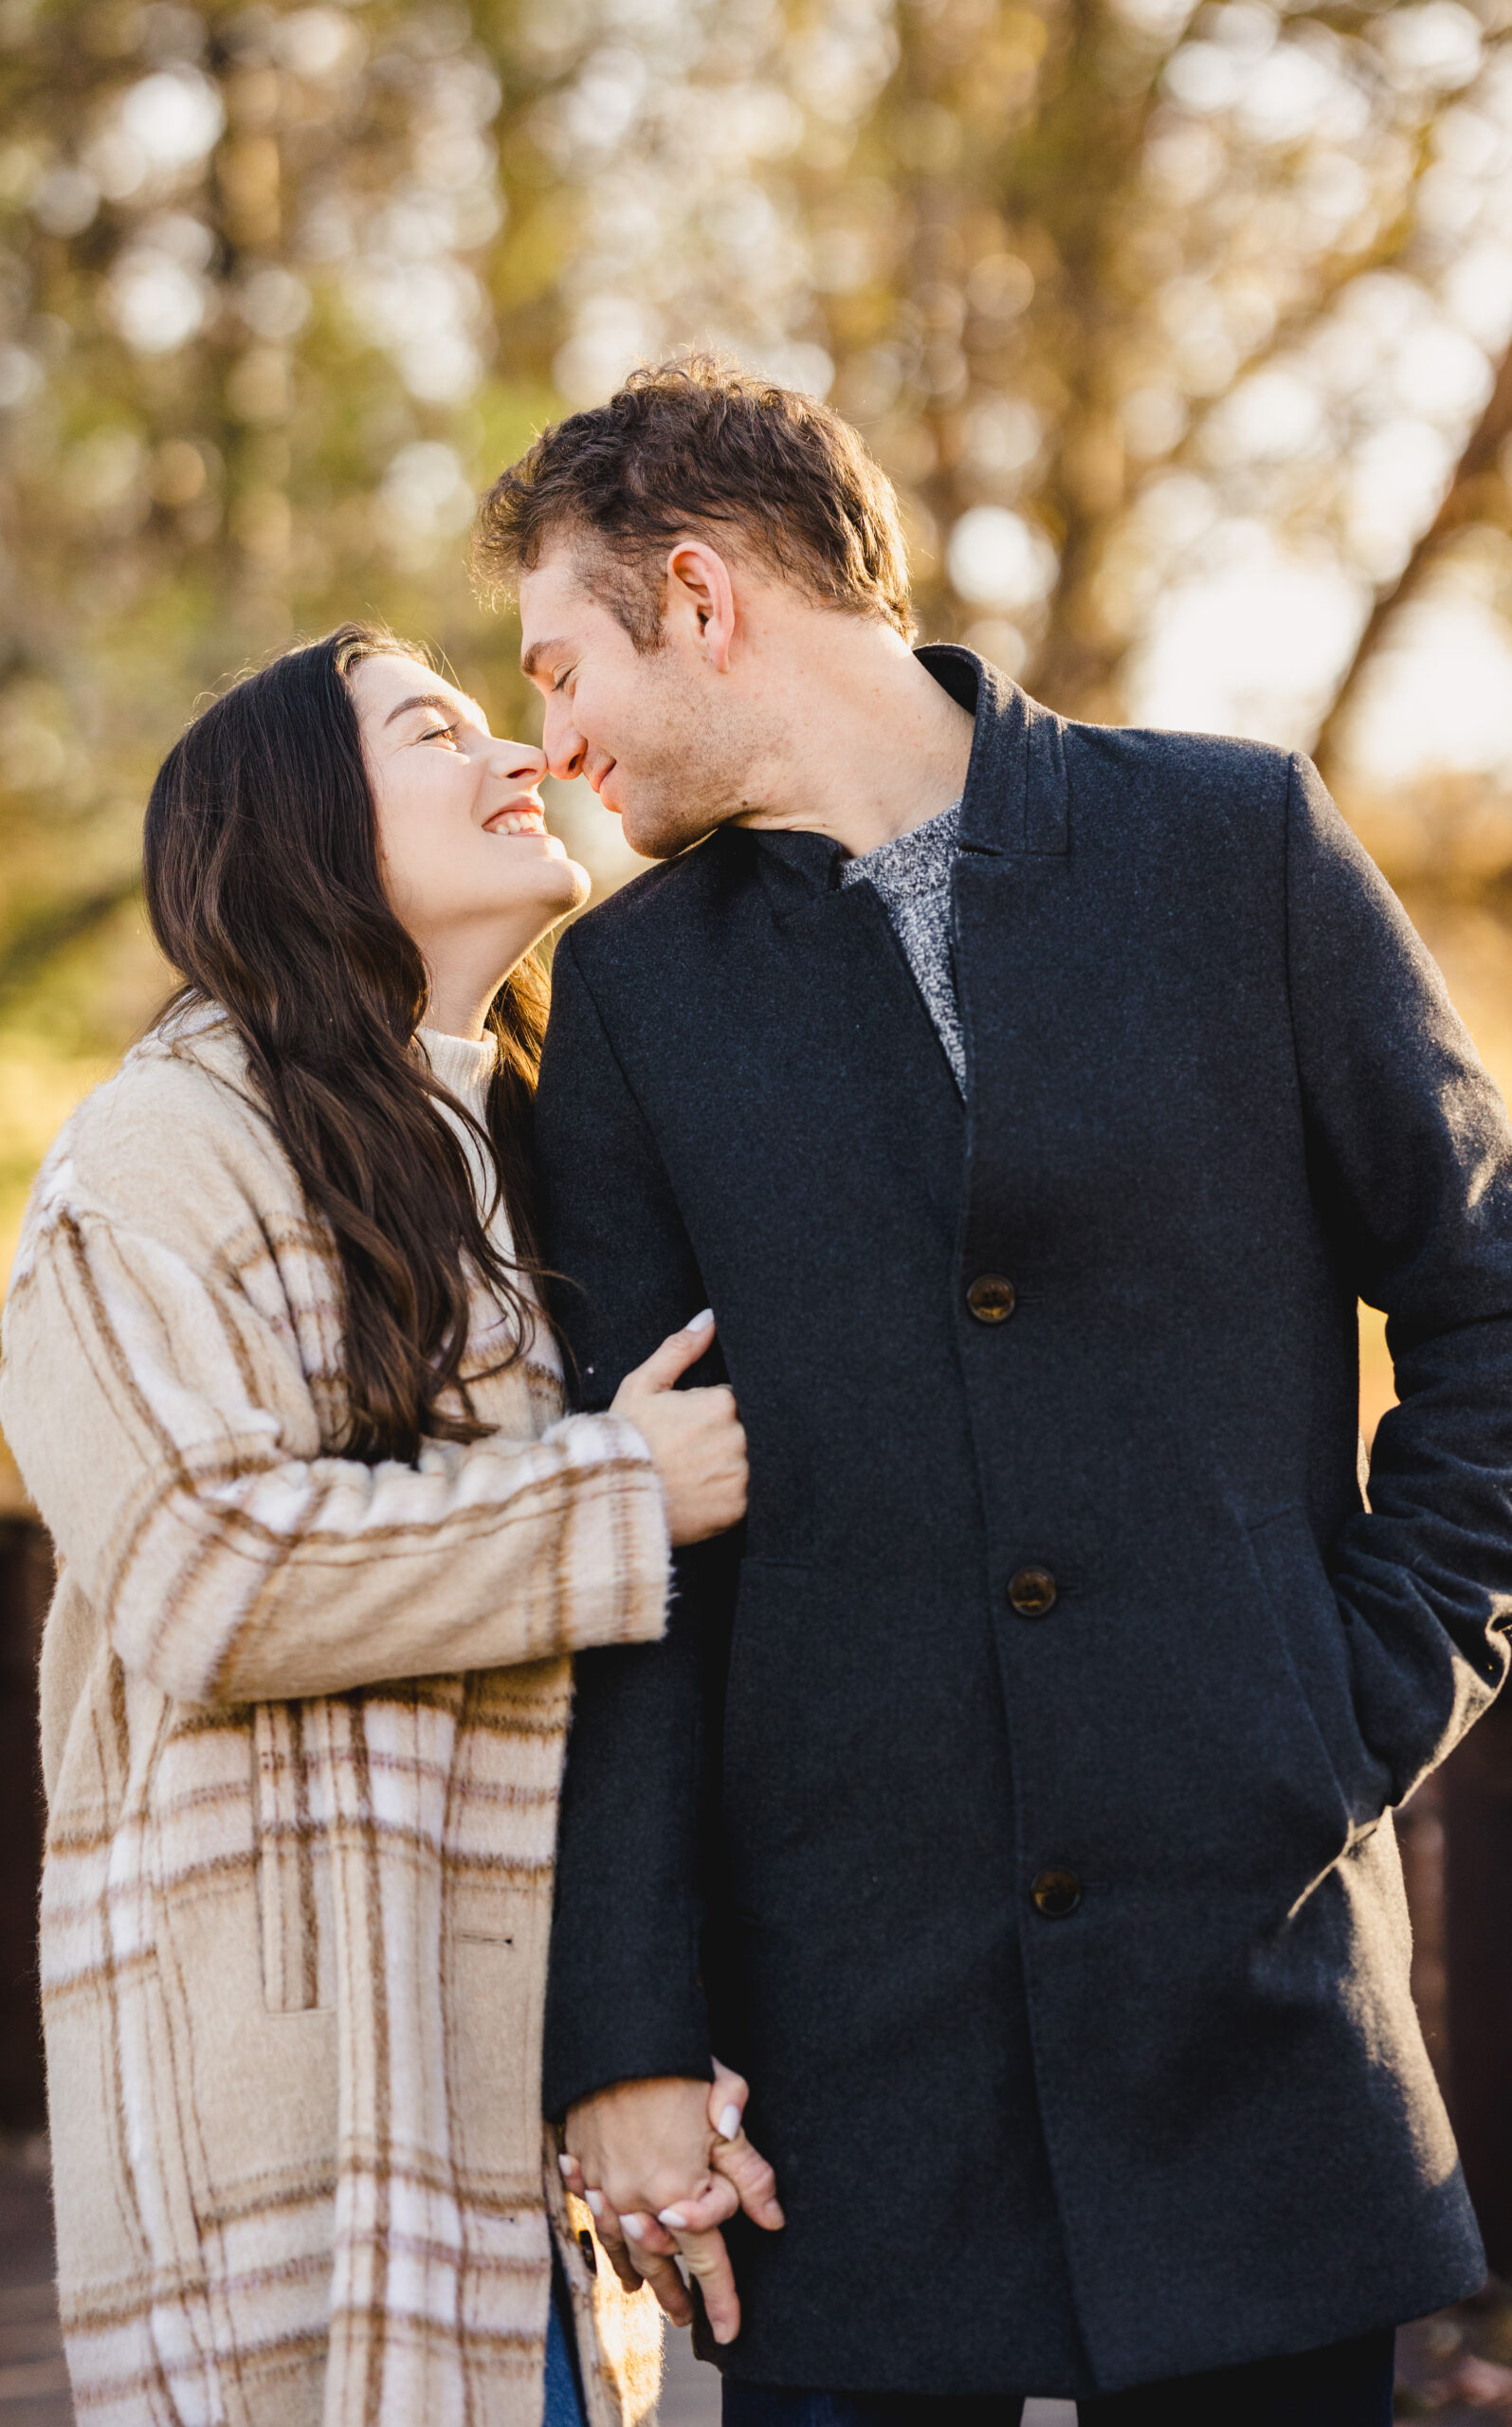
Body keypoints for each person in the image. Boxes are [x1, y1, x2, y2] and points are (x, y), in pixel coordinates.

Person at [471, 356, 1512, 2426]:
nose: (548, 740)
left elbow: (1486, 1298)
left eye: (554, 659)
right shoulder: (633, 998)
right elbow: (628, 1528)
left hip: (1246, 2004)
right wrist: (628, 2029)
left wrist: (1359, 1684)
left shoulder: (1235, 847)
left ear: (696, 593)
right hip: (843, 2060)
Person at [0, 623, 773, 2427]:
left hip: (528, 2135)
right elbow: (208, 1572)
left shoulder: (516, 1147)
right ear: (296, 829)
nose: (516, 754)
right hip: (309, 2125)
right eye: (436, 728)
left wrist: (661, 2024)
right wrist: (615, 1495)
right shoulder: (152, 1159)